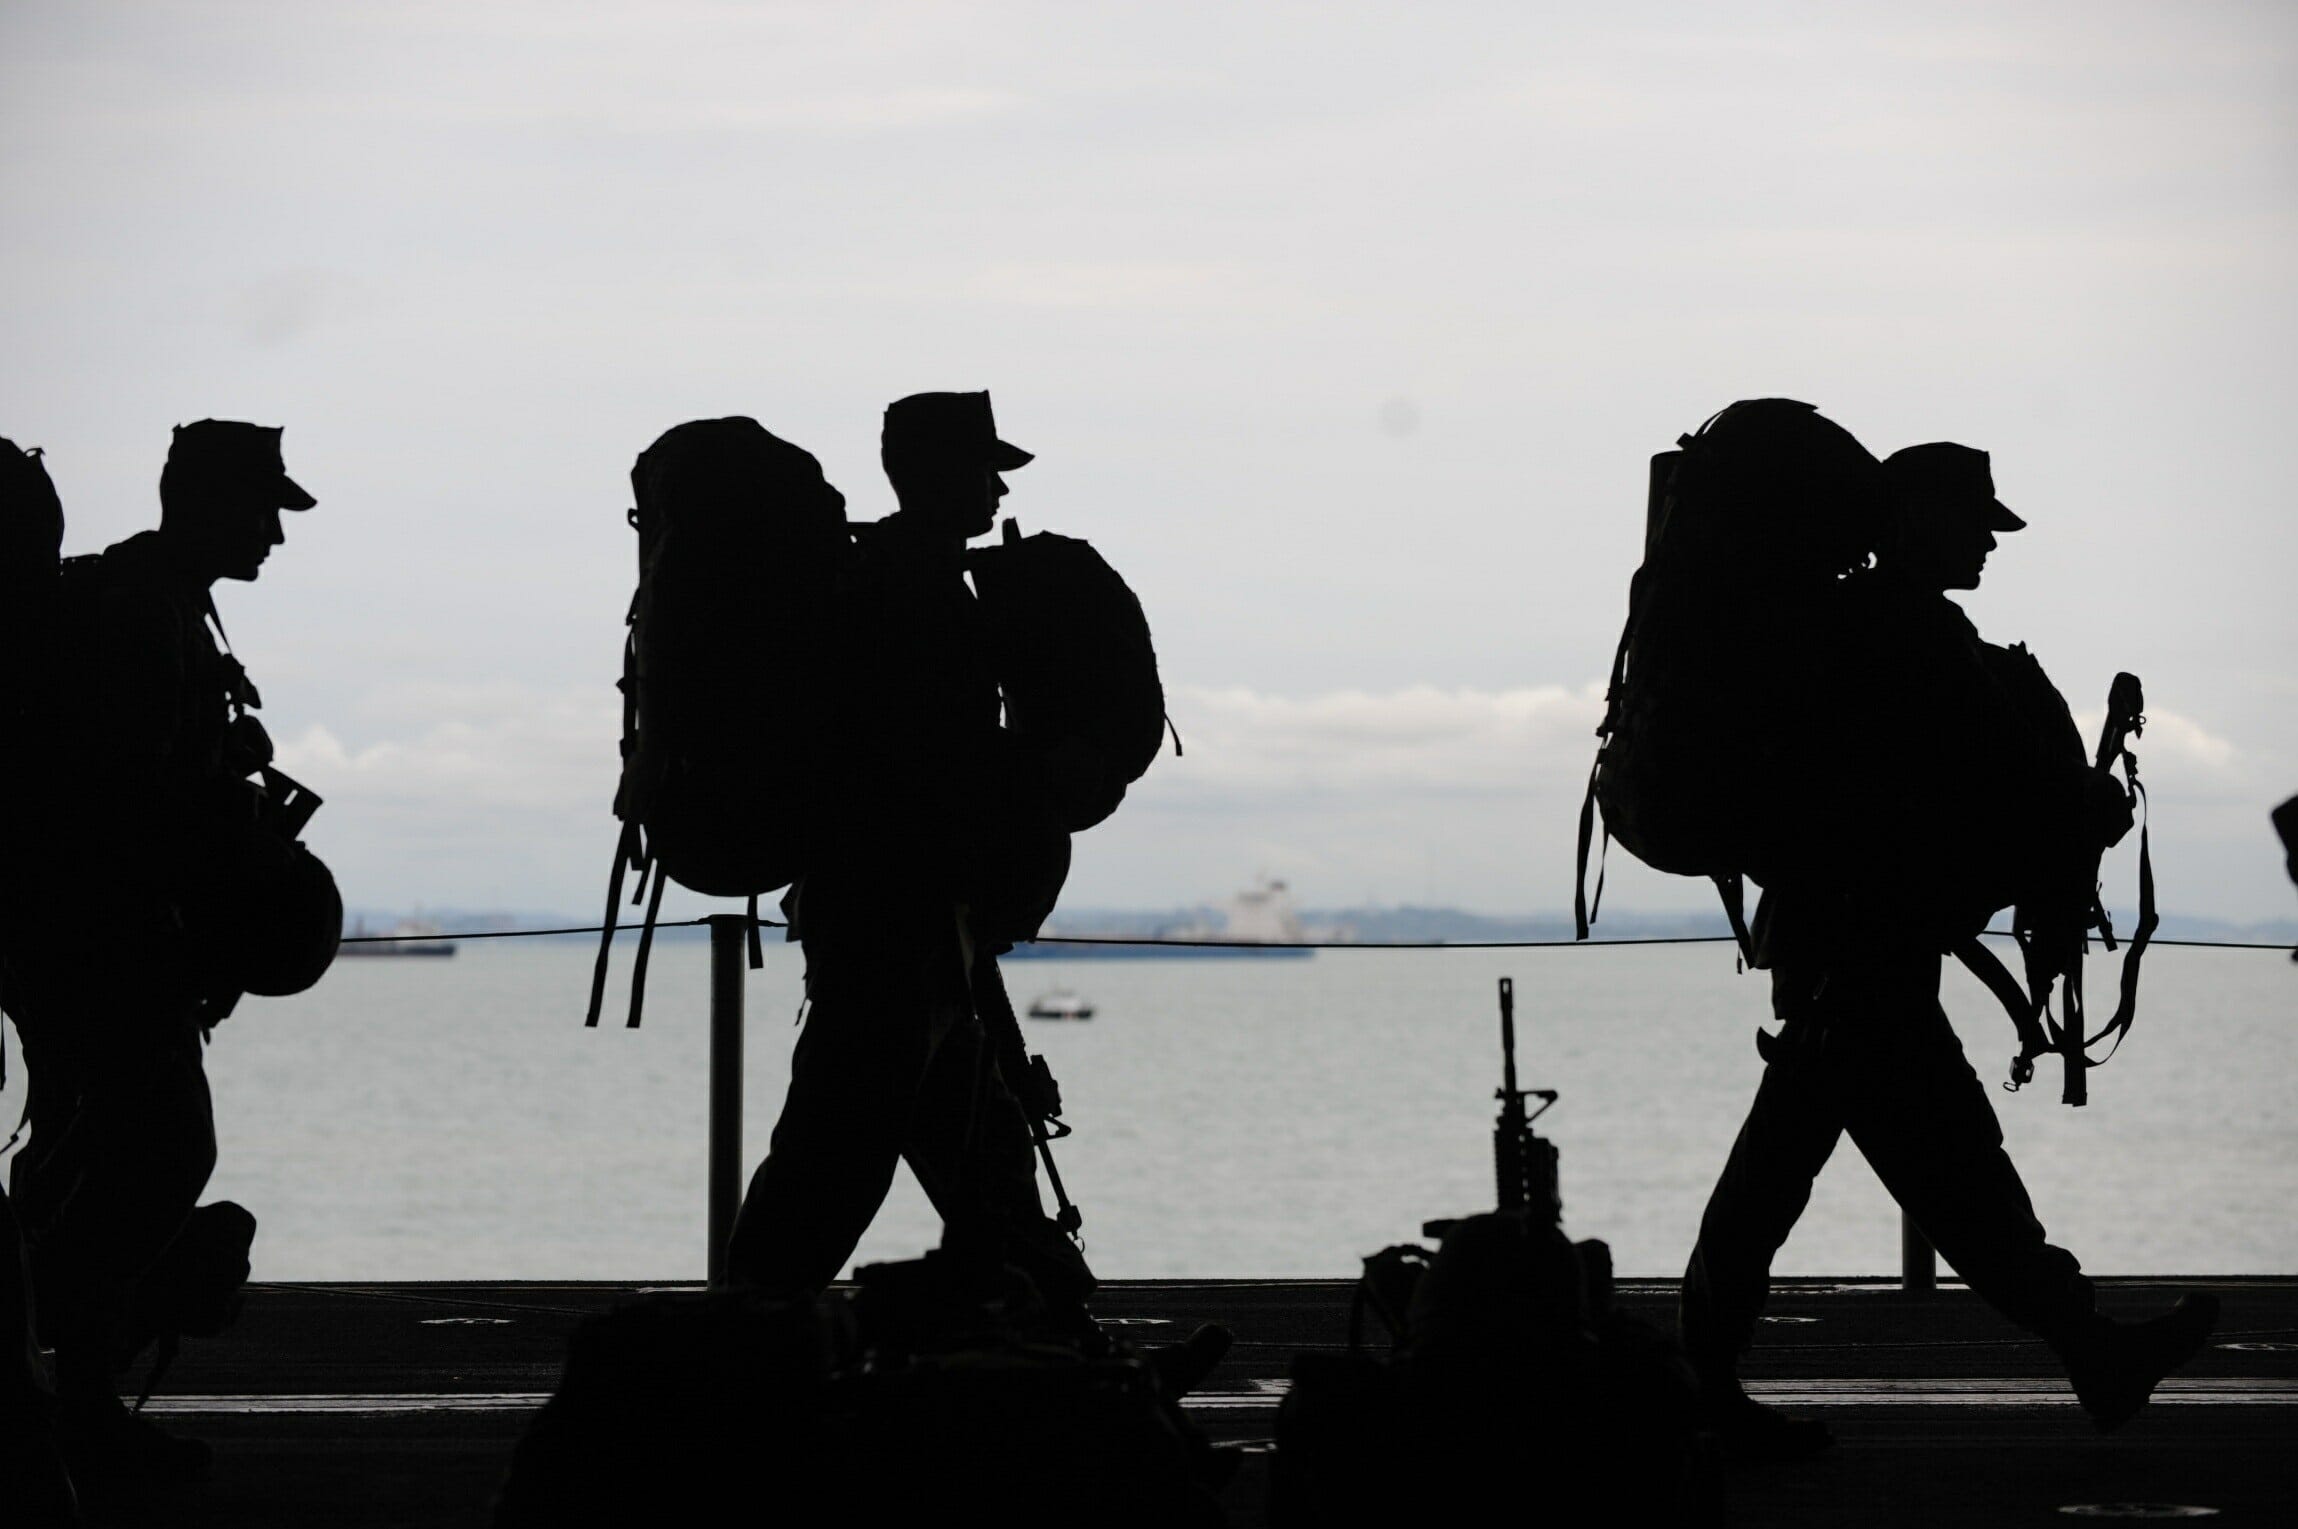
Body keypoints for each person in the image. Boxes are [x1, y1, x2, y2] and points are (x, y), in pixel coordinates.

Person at [1677, 438, 2218, 1457]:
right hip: (1862, 954)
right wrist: (2097, 801)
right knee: (1942, 1175)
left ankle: (1703, 1378)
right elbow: (2008, 777)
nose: (1988, 542)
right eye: (1975, 523)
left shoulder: (1857, 627)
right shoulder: (1912, 633)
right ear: (1918, 522)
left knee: (1850, 1172)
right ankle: (2089, 1347)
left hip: (1845, 947)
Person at [725, 392, 1095, 1325]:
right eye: (984, 465)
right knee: (836, 1160)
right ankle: (737, 1348)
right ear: (931, 473)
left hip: (921, 928)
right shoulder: (902, 591)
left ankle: (1076, 1346)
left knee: (988, 1161)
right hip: (892, 924)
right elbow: (924, 764)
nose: (998, 483)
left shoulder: (914, 581)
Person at [1, 420, 312, 1480]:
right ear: (204, 501)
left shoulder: (158, 602)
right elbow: (128, 803)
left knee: (82, 1155)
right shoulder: (143, 615)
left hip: (81, 937)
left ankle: (55, 1393)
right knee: (159, 1151)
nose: (275, 530)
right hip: (102, 938)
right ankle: (75, 1399)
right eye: (263, 506)